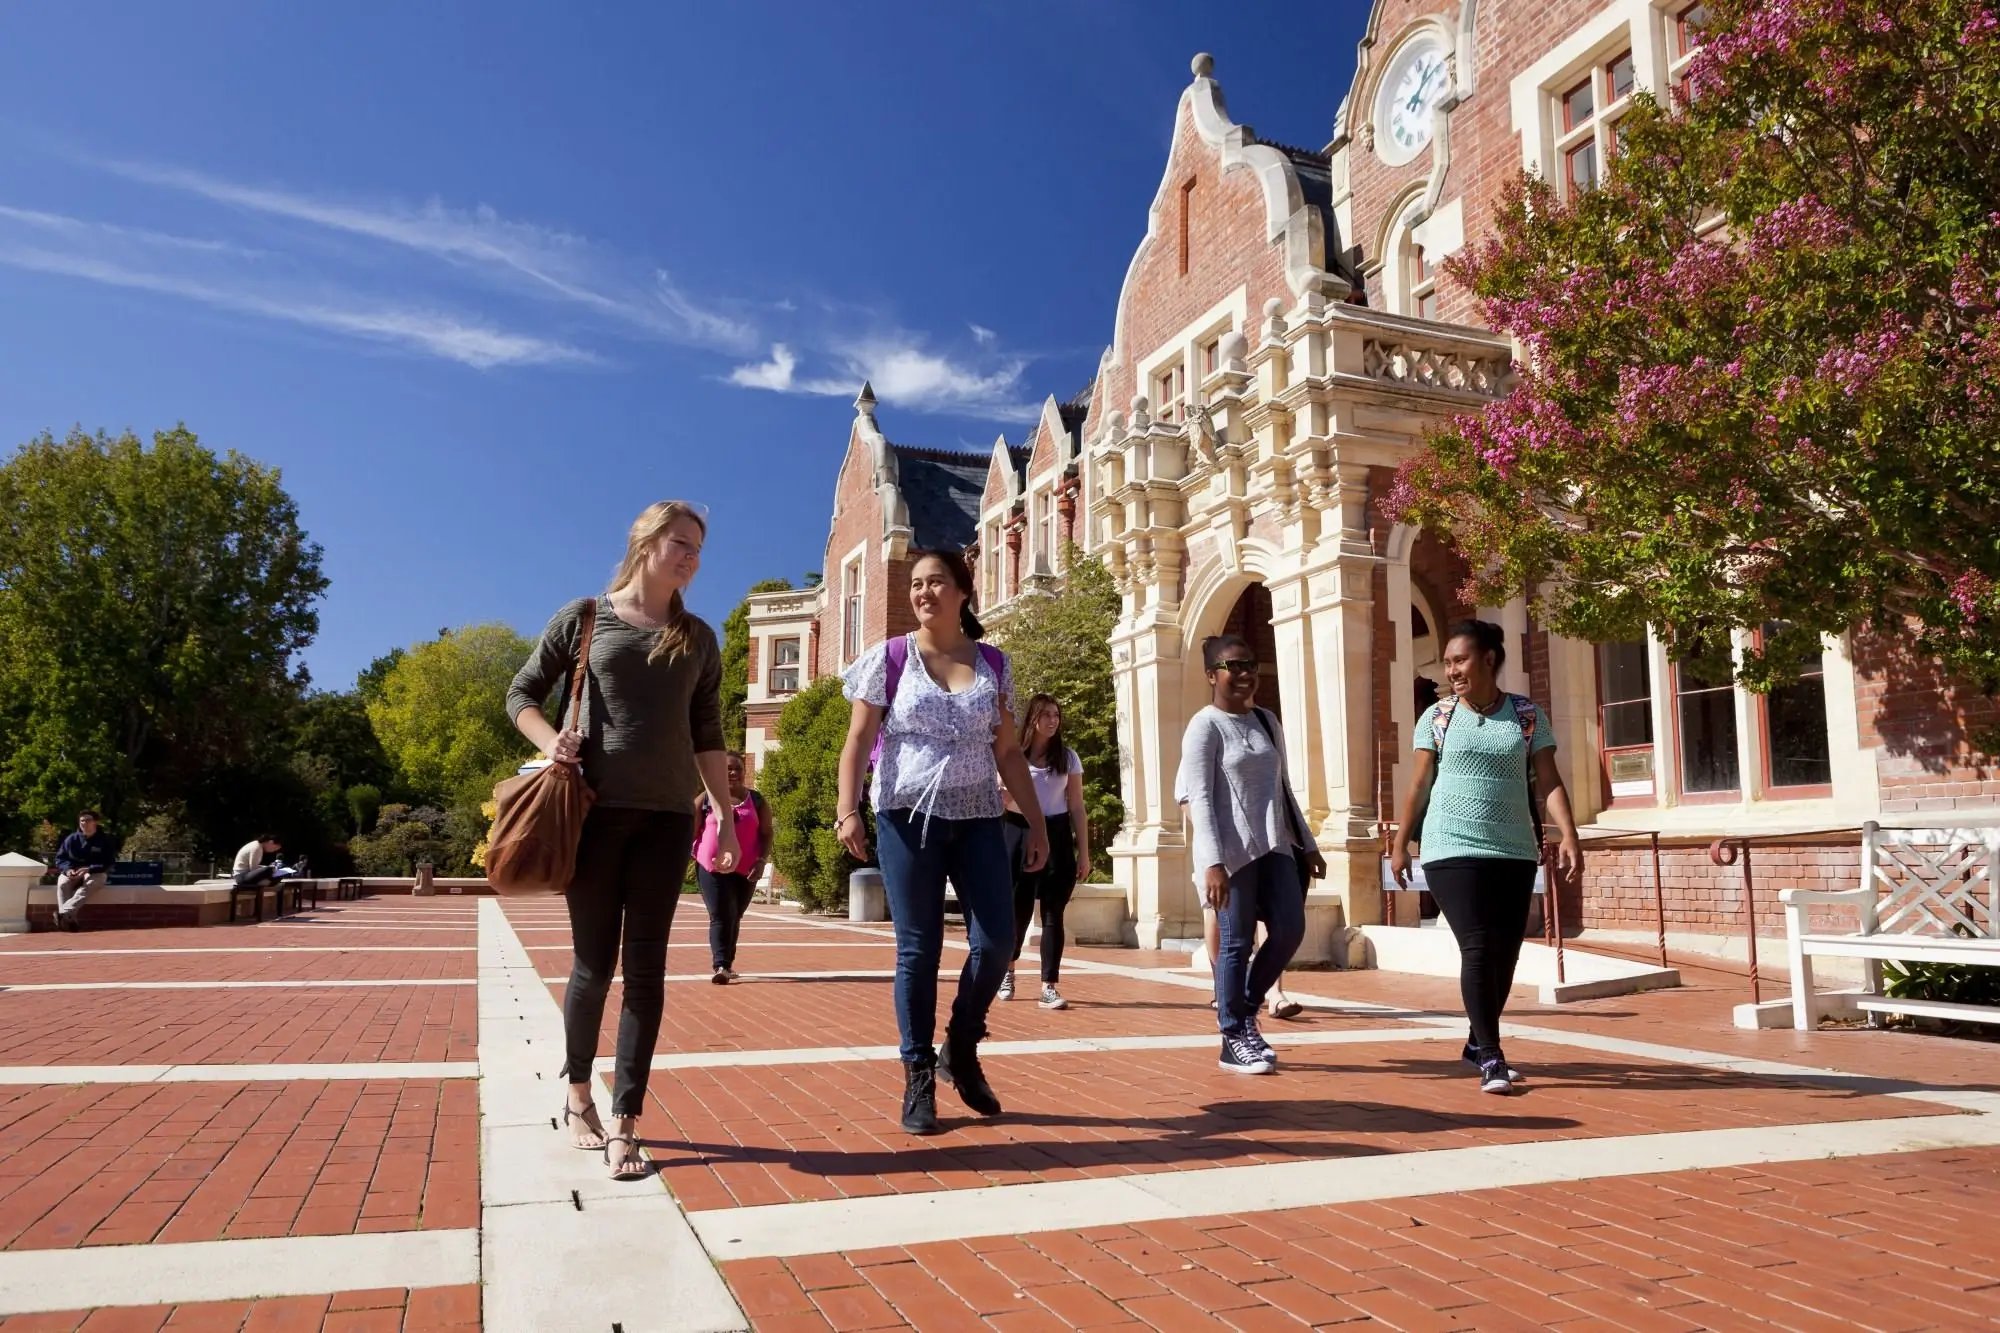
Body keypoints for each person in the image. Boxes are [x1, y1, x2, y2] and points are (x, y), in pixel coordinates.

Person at [508, 499, 738, 1181]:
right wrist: (554, 746)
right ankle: (579, 1092)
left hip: (668, 821)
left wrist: (723, 814)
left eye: (699, 547)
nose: (692, 556)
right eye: (681, 541)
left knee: (647, 972)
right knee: (592, 966)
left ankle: (627, 1118)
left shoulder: (697, 637)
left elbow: (707, 735)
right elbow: (521, 692)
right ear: (645, 540)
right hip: (596, 815)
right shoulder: (585, 618)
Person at [836, 549, 1048, 1135]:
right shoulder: (890, 658)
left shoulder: (992, 663)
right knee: (918, 949)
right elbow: (858, 740)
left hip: (978, 814)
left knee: (999, 939)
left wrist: (1034, 822)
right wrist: (846, 811)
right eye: (917, 585)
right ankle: (918, 1076)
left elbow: (1007, 750)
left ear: (962, 591)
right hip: (905, 815)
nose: (924, 593)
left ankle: (960, 1043)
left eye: (936, 583)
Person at [1389, 619, 1582, 1095]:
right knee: (1477, 947)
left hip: (1514, 847)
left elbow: (1548, 780)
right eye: (1449, 662)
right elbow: (1418, 784)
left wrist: (1571, 835)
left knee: (1506, 951)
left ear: (1489, 659)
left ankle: (1477, 1040)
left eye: (1460, 660)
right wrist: (1400, 842)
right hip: (1450, 845)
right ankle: (1493, 1056)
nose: (1452, 670)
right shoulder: (1437, 716)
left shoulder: (1525, 714)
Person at [1178, 633, 1324, 1075]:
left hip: (1276, 844)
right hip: (1231, 854)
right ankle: (1232, 1036)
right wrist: (1211, 862)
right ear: (1211, 675)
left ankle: (1244, 1010)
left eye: (1249, 665)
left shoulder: (1266, 720)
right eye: (1232, 666)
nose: (1243, 674)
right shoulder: (1204, 725)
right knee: (1236, 943)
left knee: (1289, 930)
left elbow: (1284, 786)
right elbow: (1199, 798)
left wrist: (1309, 843)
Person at [999, 694, 1091, 1010]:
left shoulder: (1068, 758)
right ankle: (1007, 971)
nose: (1053, 720)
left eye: (1056, 715)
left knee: (1054, 914)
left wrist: (1085, 853)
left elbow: (1077, 806)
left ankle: (1048, 986)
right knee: (1018, 911)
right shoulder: (1014, 757)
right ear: (1033, 719)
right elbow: (1001, 800)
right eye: (1046, 715)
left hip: (1058, 835)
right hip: (1018, 832)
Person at [692, 751, 771, 984]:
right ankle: (721, 965)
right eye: (727, 769)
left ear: (744, 772)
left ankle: (728, 962)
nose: (733, 773)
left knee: (735, 914)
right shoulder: (705, 799)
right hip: (711, 867)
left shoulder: (756, 801)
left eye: (737, 768)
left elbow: (766, 833)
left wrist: (761, 861)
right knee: (719, 913)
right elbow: (689, 829)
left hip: (746, 869)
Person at [52, 810, 116, 931]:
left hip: (96, 872)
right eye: (82, 820)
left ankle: (63, 913)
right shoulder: (71, 839)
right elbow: (60, 858)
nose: (84, 823)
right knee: (63, 883)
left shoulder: (105, 840)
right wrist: (68, 870)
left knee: (91, 884)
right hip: (73, 871)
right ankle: (69, 921)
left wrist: (89, 869)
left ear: (95, 822)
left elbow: (109, 862)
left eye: (88, 820)